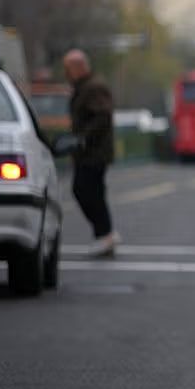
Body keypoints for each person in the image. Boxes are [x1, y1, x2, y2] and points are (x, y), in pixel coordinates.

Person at [64, 49, 119, 257]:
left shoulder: (93, 87)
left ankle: (104, 234)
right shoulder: (85, 87)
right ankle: (104, 234)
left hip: (94, 152)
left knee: (86, 190)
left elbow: (102, 116)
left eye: (68, 68)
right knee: (91, 192)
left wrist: (83, 138)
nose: (66, 73)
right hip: (89, 152)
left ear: (78, 67)